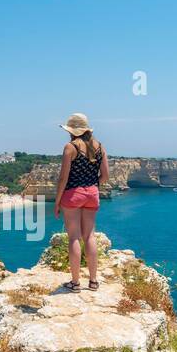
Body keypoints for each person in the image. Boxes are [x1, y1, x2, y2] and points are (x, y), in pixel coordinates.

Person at [53, 113, 109, 292]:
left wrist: (57, 201)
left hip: (73, 195)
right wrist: (91, 186)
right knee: (90, 236)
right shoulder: (100, 147)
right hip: (92, 194)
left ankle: (75, 283)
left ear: (72, 131)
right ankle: (93, 282)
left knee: (74, 238)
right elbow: (105, 177)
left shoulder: (70, 147)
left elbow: (63, 178)